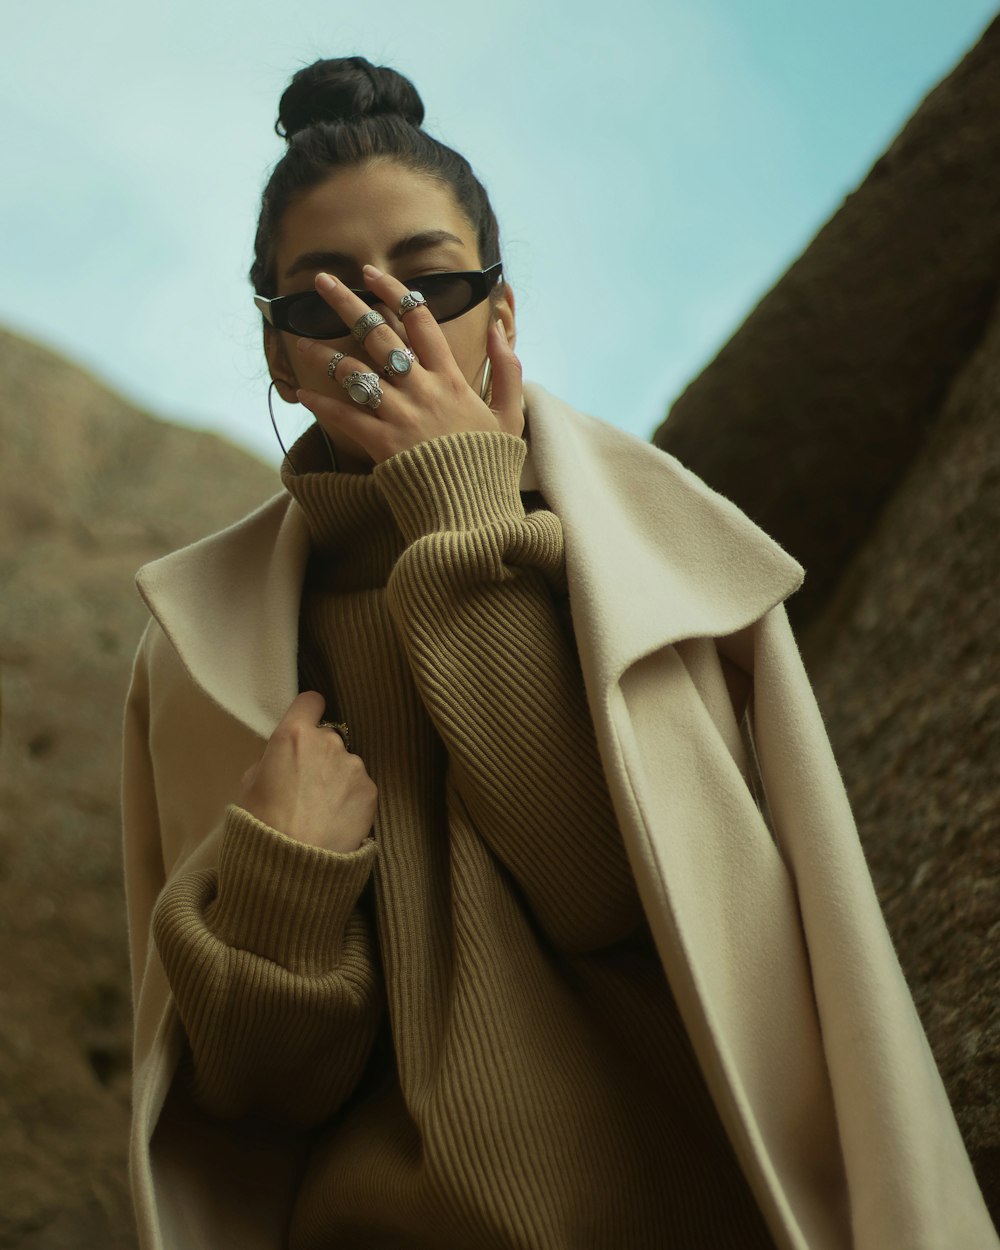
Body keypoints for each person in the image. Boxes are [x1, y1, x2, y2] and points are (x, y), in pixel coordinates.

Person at [121, 56, 997, 1250]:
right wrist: (280, 881)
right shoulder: (196, 653)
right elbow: (254, 1102)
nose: (385, 332)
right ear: (276, 351)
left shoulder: (648, 561)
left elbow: (597, 890)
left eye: (430, 282)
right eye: (323, 301)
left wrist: (461, 505)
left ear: (506, 311)